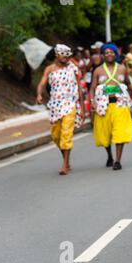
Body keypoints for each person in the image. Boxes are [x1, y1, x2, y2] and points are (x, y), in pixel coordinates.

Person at [36, 44, 85, 175]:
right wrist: (39, 94)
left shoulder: (73, 68)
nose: (66, 57)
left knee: (66, 134)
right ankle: (66, 160)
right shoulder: (49, 69)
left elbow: (79, 88)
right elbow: (41, 84)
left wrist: (83, 109)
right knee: (56, 136)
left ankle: (65, 165)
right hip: (55, 106)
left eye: (68, 55)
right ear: (57, 55)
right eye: (63, 54)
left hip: (70, 105)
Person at [91, 43, 132, 170]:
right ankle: (109, 155)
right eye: (106, 52)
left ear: (116, 54)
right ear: (103, 55)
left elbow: (128, 84)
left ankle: (117, 161)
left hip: (120, 105)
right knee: (105, 134)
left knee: (120, 132)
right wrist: (93, 100)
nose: (109, 54)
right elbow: (92, 88)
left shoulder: (122, 68)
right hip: (103, 107)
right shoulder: (98, 70)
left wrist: (131, 98)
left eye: (112, 52)